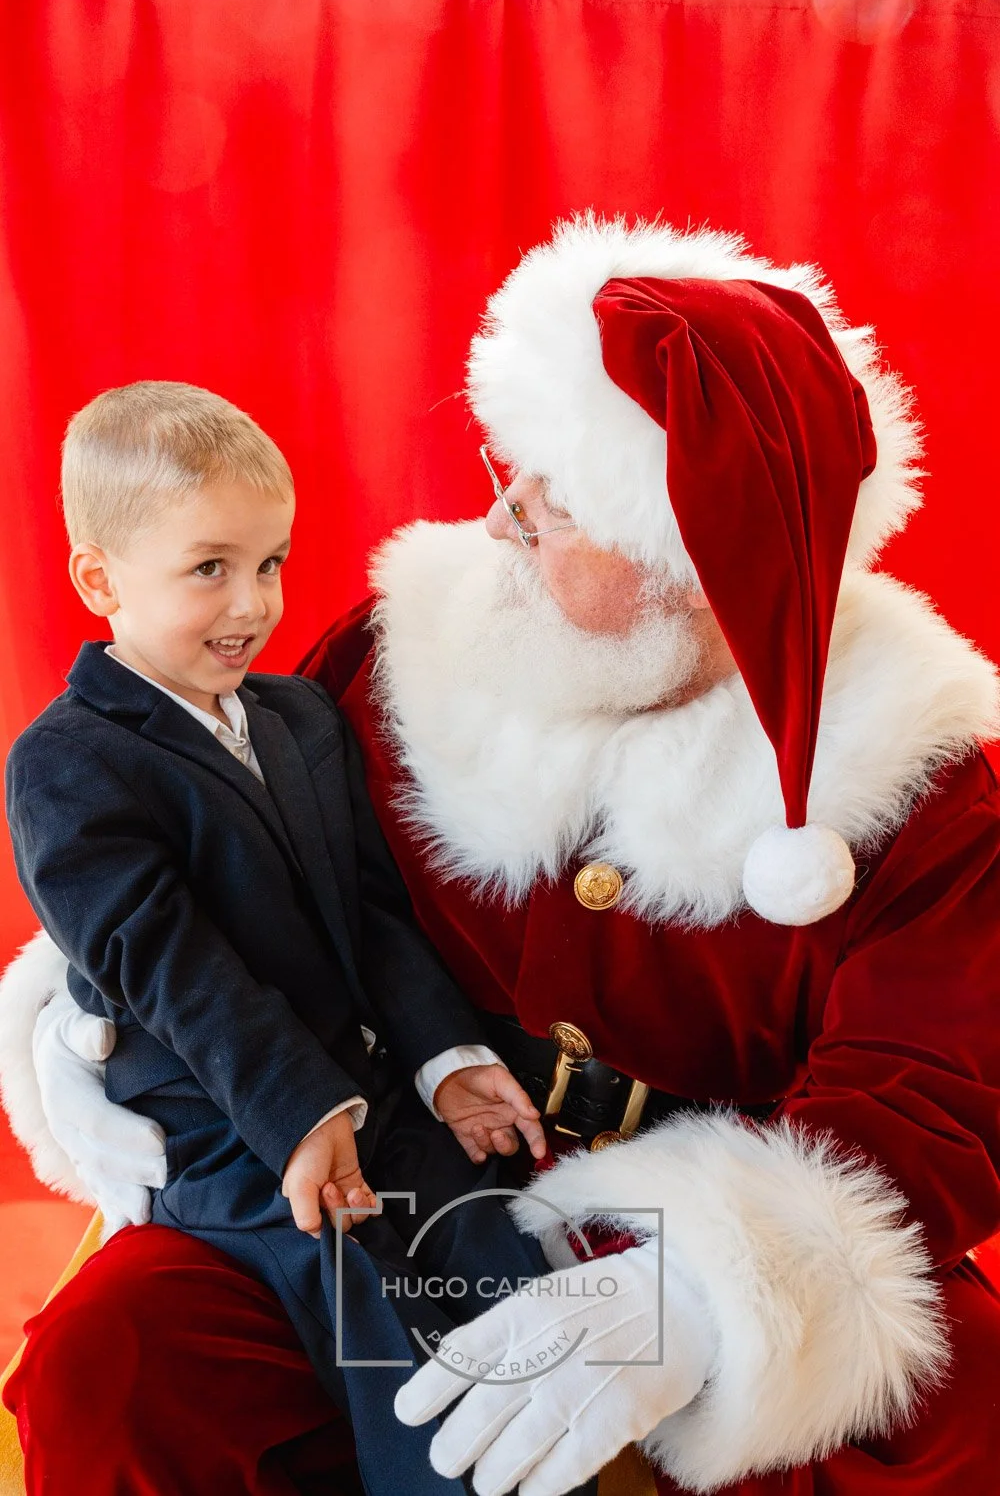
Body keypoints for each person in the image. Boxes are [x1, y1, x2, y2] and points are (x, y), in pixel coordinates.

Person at [2, 216, 1000, 1496]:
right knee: (122, 1358)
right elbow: (247, 870)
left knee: (963, 1413)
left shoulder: (920, 775)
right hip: (403, 1159)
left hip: (715, 1190)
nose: (500, 512)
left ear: (701, 563)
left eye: (558, 497)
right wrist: (85, 1010)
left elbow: (926, 1099)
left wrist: (698, 1293)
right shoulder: (403, 646)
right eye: (512, 463)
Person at [2, 380, 559, 1496]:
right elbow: (169, 968)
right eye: (209, 567)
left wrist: (449, 1062)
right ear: (100, 578)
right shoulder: (66, 762)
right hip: (229, 1132)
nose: (251, 602)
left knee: (512, 1268)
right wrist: (300, 1116)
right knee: (389, 1331)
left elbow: (372, 918)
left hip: (376, 1093)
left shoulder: (299, 718)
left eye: (270, 562)